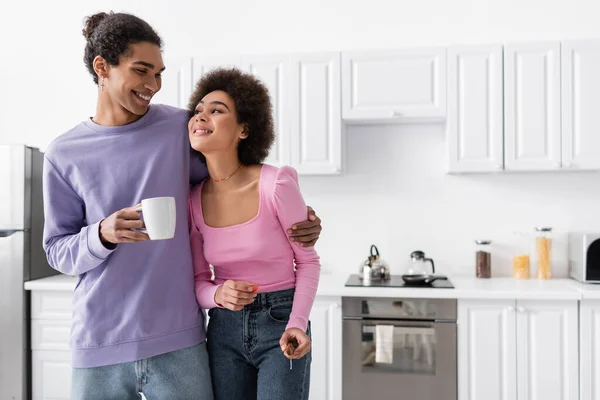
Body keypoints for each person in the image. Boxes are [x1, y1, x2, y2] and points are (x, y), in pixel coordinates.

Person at [42, 12, 322, 400]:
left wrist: (302, 217)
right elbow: (57, 250)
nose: (153, 85)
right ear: (102, 67)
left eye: (159, 73)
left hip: (179, 340)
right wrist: (101, 235)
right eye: (142, 71)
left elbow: (232, 177)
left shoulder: (179, 127)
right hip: (100, 340)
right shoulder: (63, 153)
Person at [187, 67, 320, 400]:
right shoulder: (191, 200)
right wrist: (219, 296)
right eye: (199, 110)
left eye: (216, 110)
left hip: (281, 321)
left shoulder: (275, 184)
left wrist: (297, 323)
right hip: (223, 330)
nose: (202, 116)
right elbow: (199, 282)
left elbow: (308, 262)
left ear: (244, 129)